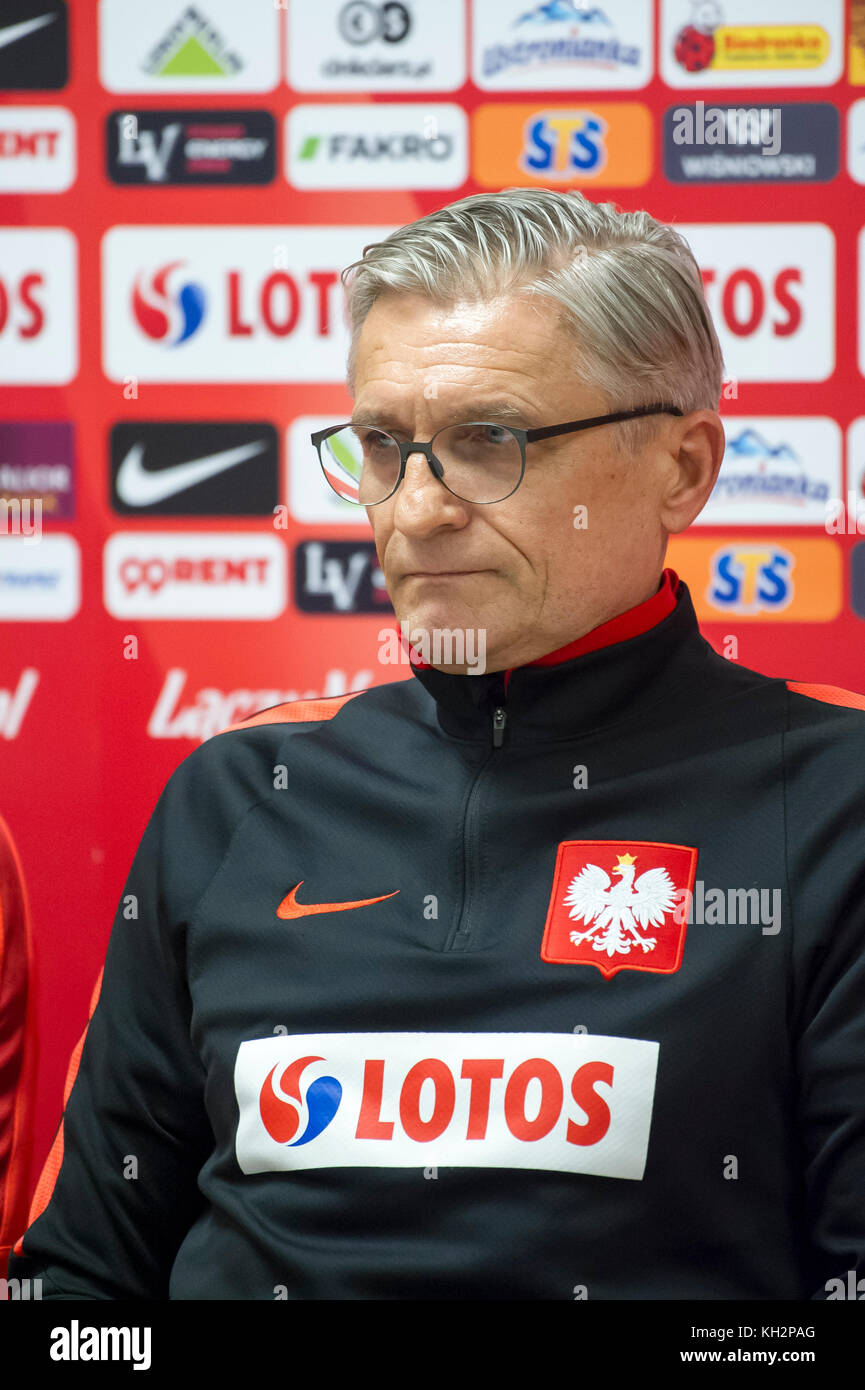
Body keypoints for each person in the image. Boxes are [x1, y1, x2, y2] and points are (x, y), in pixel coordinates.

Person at [7, 189, 865, 1300]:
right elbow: (82, 1286)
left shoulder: (831, 795)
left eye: (486, 442)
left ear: (683, 469)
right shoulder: (240, 792)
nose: (415, 510)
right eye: (382, 446)